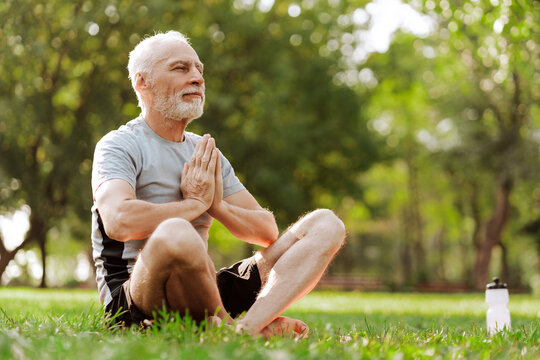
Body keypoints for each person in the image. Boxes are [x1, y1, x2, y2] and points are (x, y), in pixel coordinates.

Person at [91, 30, 346, 338]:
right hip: (135, 299)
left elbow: (266, 231)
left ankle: (246, 329)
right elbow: (119, 221)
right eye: (181, 68)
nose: (197, 78)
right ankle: (224, 325)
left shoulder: (205, 152)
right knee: (176, 232)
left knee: (325, 224)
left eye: (200, 70)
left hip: (205, 290)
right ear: (142, 83)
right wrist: (192, 206)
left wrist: (217, 206)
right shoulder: (118, 145)